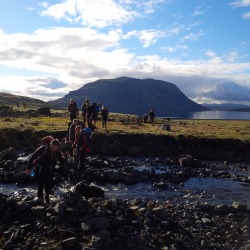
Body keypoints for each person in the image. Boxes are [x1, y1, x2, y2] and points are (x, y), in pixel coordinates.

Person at [25, 139, 66, 204]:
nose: (53, 149)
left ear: (58, 147)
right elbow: (33, 156)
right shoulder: (43, 149)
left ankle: (47, 197)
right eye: (52, 147)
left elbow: (61, 161)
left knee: (48, 184)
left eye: (55, 147)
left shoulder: (57, 151)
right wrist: (28, 168)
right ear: (50, 145)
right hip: (39, 169)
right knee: (40, 185)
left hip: (49, 169)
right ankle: (40, 200)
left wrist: (66, 157)